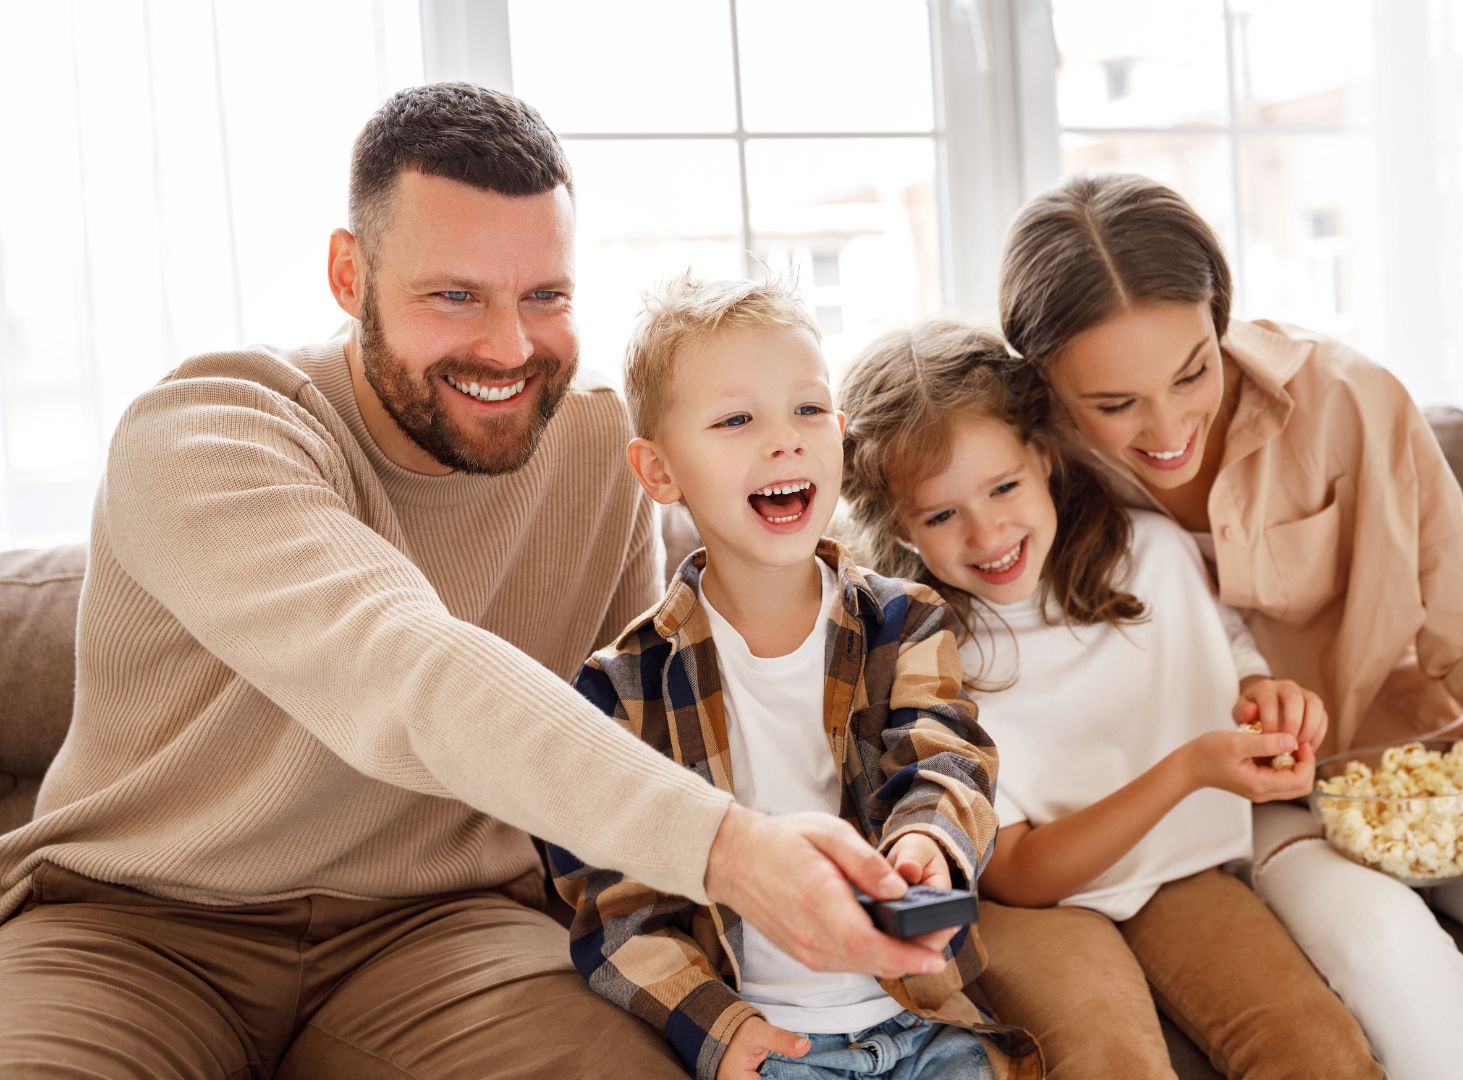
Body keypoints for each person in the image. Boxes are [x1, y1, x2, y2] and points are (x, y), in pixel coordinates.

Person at [0, 83, 936, 1078]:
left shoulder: (595, 450)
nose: (508, 348)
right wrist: (734, 850)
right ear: (348, 273)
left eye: (546, 296)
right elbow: (394, 661)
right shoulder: (207, 430)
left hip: (443, 934)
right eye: (455, 296)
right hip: (138, 928)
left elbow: (629, 733)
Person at [992, 171, 1463, 1080]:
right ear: (1044, 387)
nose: (1169, 425)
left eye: (1194, 371)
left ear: (1220, 316)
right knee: (1395, 961)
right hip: (1257, 825)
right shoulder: (1021, 488)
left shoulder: (1349, 400)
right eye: (1114, 405)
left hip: (1420, 771)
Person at [837, 320, 1379, 1080]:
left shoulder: (1153, 556)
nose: (988, 530)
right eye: (941, 514)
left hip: (1182, 873)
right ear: (899, 523)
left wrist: (1267, 698)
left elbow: (1228, 660)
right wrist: (1189, 770)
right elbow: (1018, 873)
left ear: (1044, 457)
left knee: (1320, 1054)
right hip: (1032, 909)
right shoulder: (920, 650)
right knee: (1109, 1063)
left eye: (1003, 487)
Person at [551, 277, 1038, 1080]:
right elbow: (614, 907)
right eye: (738, 420)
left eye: (809, 411)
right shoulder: (620, 689)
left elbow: (946, 756)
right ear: (660, 471)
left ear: (840, 438)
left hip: (920, 1020)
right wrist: (718, 1027)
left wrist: (927, 841)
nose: (785, 441)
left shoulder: (904, 624)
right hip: (774, 1044)